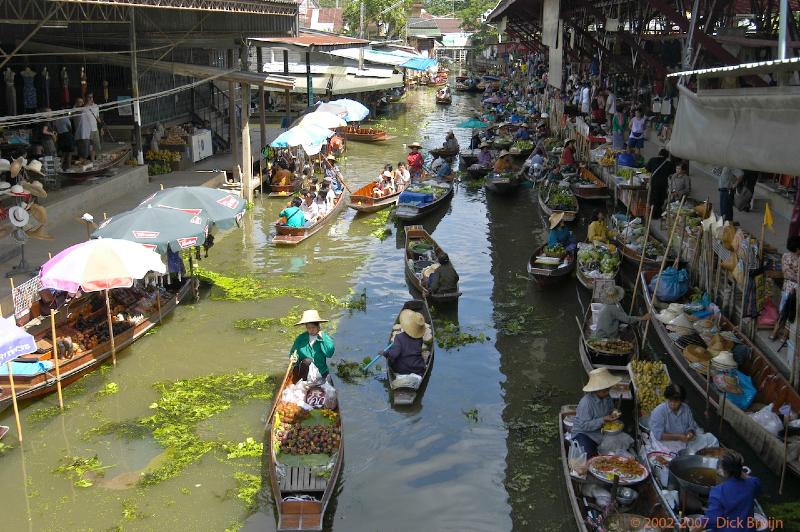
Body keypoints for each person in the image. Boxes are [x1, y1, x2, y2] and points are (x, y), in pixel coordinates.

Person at [696, 450, 761, 532]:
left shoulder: (718, 492)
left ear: (723, 472)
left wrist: (693, 529)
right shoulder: (753, 483)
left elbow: (711, 520)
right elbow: (756, 488)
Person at [649, 384, 719, 453]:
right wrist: (678, 437)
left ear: (681, 401)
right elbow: (658, 435)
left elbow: (691, 426)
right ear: (667, 399)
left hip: (685, 440)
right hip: (666, 442)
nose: (673, 403)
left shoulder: (686, 408)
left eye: (676, 401)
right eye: (670, 400)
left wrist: (690, 433)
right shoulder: (659, 411)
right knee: (675, 458)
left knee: (712, 439)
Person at [572, 368, 622, 457]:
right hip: (584, 433)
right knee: (589, 454)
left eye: (608, 390)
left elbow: (610, 410)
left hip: (600, 430)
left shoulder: (607, 397)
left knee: (619, 445)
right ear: (596, 391)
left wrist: (614, 413)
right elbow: (584, 426)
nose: (607, 392)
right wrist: (603, 419)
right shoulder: (586, 403)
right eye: (604, 391)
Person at [289, 310, 335, 379]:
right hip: (305, 372)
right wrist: (293, 357)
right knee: (307, 361)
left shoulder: (325, 338)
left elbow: (329, 353)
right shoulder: (301, 338)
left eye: (313, 327)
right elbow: (293, 352)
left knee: (329, 388)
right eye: (309, 328)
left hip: (321, 371)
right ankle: (303, 381)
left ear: (318, 327)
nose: (311, 330)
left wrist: (322, 339)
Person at [771, 236, 800, 341]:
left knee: (783, 311)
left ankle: (774, 333)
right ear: (797, 249)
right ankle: (785, 337)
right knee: (791, 313)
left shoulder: (785, 256)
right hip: (795, 289)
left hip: (786, 286)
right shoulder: (798, 259)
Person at [384, 309, 427, 376]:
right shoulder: (420, 339)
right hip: (418, 369)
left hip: (401, 370)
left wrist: (384, 353)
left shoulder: (399, 337)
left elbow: (394, 354)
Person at [645, 149, 676, 219]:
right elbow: (673, 172)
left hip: (654, 183)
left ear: (659, 154)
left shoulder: (652, 160)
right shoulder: (669, 164)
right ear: (667, 156)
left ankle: (652, 215)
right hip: (663, 184)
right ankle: (658, 215)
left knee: (653, 199)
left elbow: (647, 168)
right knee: (661, 199)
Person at [54, 106, 75, 171]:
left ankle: (60, 167)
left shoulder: (56, 119)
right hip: (67, 135)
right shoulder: (65, 118)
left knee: (63, 153)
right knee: (69, 153)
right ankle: (68, 167)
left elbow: (55, 128)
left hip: (60, 136)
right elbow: (69, 127)